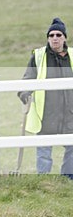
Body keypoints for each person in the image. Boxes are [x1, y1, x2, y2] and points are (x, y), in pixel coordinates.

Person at [18, 18, 73, 179]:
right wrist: (24, 93)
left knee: (72, 148)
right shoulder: (39, 56)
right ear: (48, 38)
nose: (54, 38)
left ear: (64, 38)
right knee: (43, 150)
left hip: (70, 113)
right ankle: (44, 180)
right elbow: (27, 79)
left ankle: (68, 180)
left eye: (58, 34)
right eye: (51, 35)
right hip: (46, 113)